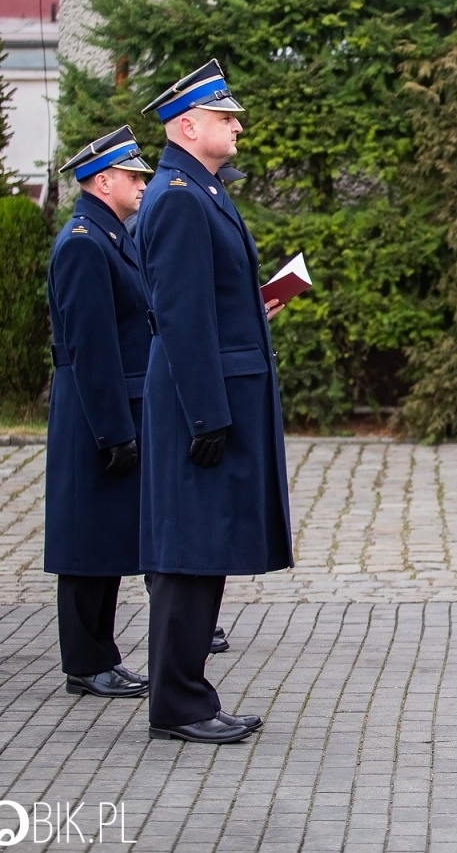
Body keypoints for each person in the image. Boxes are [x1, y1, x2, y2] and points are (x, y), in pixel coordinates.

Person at [135, 59, 292, 745]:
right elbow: (181, 316)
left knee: (204, 550)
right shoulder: (176, 196)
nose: (235, 124)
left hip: (214, 397)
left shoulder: (201, 189)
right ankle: (178, 704)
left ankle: (190, 694)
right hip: (199, 403)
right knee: (187, 553)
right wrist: (206, 414)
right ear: (187, 125)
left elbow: (211, 304)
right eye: (225, 116)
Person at [44, 127, 154, 699]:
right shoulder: (86, 242)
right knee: (87, 540)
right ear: (102, 181)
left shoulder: (113, 235)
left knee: (105, 536)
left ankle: (100, 656)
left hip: (113, 403)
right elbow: (91, 347)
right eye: (132, 175)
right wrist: (113, 429)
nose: (142, 183)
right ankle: (85, 663)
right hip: (95, 408)